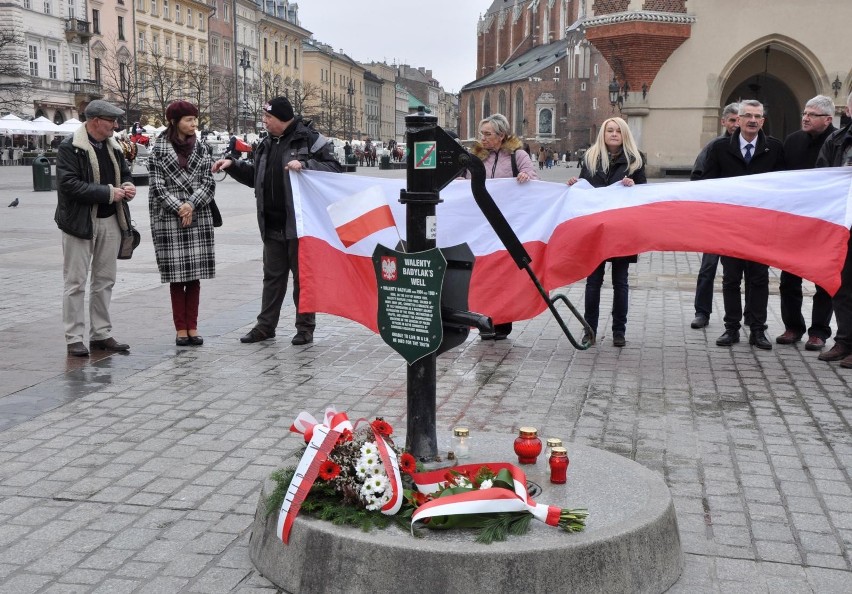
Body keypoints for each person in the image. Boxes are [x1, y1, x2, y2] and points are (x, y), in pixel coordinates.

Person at [212, 96, 342, 345]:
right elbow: (256, 177)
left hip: (300, 225)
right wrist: (233, 165)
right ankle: (265, 326)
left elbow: (335, 169)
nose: (264, 122)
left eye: (268, 118)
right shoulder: (265, 144)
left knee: (302, 278)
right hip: (271, 223)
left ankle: (304, 328)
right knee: (272, 278)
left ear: (283, 119)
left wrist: (305, 164)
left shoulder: (310, 139)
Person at [694, 100, 786, 350]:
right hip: (730, 227)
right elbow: (708, 183)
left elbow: (783, 187)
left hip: (760, 227)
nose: (752, 120)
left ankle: (758, 330)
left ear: (763, 121)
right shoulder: (721, 148)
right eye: (747, 116)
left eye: (758, 116)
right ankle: (731, 328)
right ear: (739, 119)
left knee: (758, 279)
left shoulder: (775, 149)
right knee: (731, 279)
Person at [55, 99, 136, 357]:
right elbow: (69, 185)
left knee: (105, 280)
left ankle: (101, 333)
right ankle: (74, 337)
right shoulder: (71, 147)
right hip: (79, 223)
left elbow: (124, 173)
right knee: (75, 282)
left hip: (111, 219)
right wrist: (109, 193)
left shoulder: (113, 147)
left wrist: (128, 185)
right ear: (95, 121)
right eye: (112, 121)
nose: (116, 125)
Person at [567, 116, 646, 347]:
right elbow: (584, 189)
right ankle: (589, 329)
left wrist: (634, 186)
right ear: (602, 134)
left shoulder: (636, 161)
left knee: (620, 282)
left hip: (622, 230)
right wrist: (575, 184)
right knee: (593, 282)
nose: (613, 134)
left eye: (618, 131)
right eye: (609, 130)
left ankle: (619, 331)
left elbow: (644, 195)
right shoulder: (591, 159)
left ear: (624, 135)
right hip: (596, 230)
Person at [148, 100, 217, 347]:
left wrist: (190, 204)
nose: (194, 124)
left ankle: (193, 326)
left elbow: (208, 183)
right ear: (174, 122)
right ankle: (180, 329)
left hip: (196, 215)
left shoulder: (202, 149)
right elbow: (157, 187)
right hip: (170, 219)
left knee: (194, 277)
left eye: (195, 119)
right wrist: (179, 207)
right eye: (189, 120)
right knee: (177, 278)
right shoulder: (158, 149)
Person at [776, 95, 837, 350]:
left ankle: (819, 332)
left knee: (824, 279)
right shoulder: (793, 141)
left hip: (827, 220)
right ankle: (793, 327)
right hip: (796, 219)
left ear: (828, 119)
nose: (805, 117)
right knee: (789, 277)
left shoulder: (840, 141)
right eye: (804, 112)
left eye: (812, 114)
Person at [471, 113, 538, 340]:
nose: (483, 138)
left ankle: (501, 322)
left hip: (505, 225)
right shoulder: (478, 158)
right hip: (481, 224)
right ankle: (484, 320)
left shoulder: (517, 155)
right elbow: (463, 179)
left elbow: (533, 178)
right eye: (482, 134)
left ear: (501, 135)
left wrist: (525, 176)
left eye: (488, 134)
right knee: (483, 273)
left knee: (502, 274)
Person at [689, 102, 741, 329]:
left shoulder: (757, 147)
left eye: (739, 120)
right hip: (716, 217)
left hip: (742, 220)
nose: (736, 125)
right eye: (732, 120)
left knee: (744, 269)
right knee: (708, 267)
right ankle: (702, 312)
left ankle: (750, 315)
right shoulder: (713, 147)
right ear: (723, 122)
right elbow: (697, 177)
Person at [815, 91, 852, 368]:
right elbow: (822, 176)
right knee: (842, 285)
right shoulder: (836, 140)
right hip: (843, 223)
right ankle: (844, 341)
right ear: (848, 110)